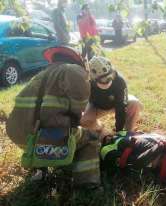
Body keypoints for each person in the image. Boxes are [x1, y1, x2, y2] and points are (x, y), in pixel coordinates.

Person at [6, 47, 101, 188]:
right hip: (44, 135)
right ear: (77, 60)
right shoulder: (73, 70)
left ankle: (40, 170)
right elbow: (80, 107)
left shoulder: (40, 75)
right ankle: (88, 183)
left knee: (50, 134)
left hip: (18, 134)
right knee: (91, 138)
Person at [80, 56, 143, 134]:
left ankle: (128, 133)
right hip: (96, 106)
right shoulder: (87, 83)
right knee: (83, 120)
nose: (105, 82)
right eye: (101, 81)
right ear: (92, 78)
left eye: (108, 79)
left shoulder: (120, 81)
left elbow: (121, 107)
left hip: (115, 104)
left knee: (134, 103)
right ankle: (101, 129)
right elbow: (81, 101)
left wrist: (119, 131)